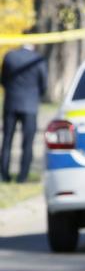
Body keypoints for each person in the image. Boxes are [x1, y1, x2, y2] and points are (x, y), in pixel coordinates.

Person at [1, 43, 48, 183]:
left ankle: (3, 175)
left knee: (7, 141)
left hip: (11, 103)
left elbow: (3, 79)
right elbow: (44, 84)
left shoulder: (9, 56)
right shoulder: (37, 59)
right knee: (27, 143)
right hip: (30, 105)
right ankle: (22, 176)